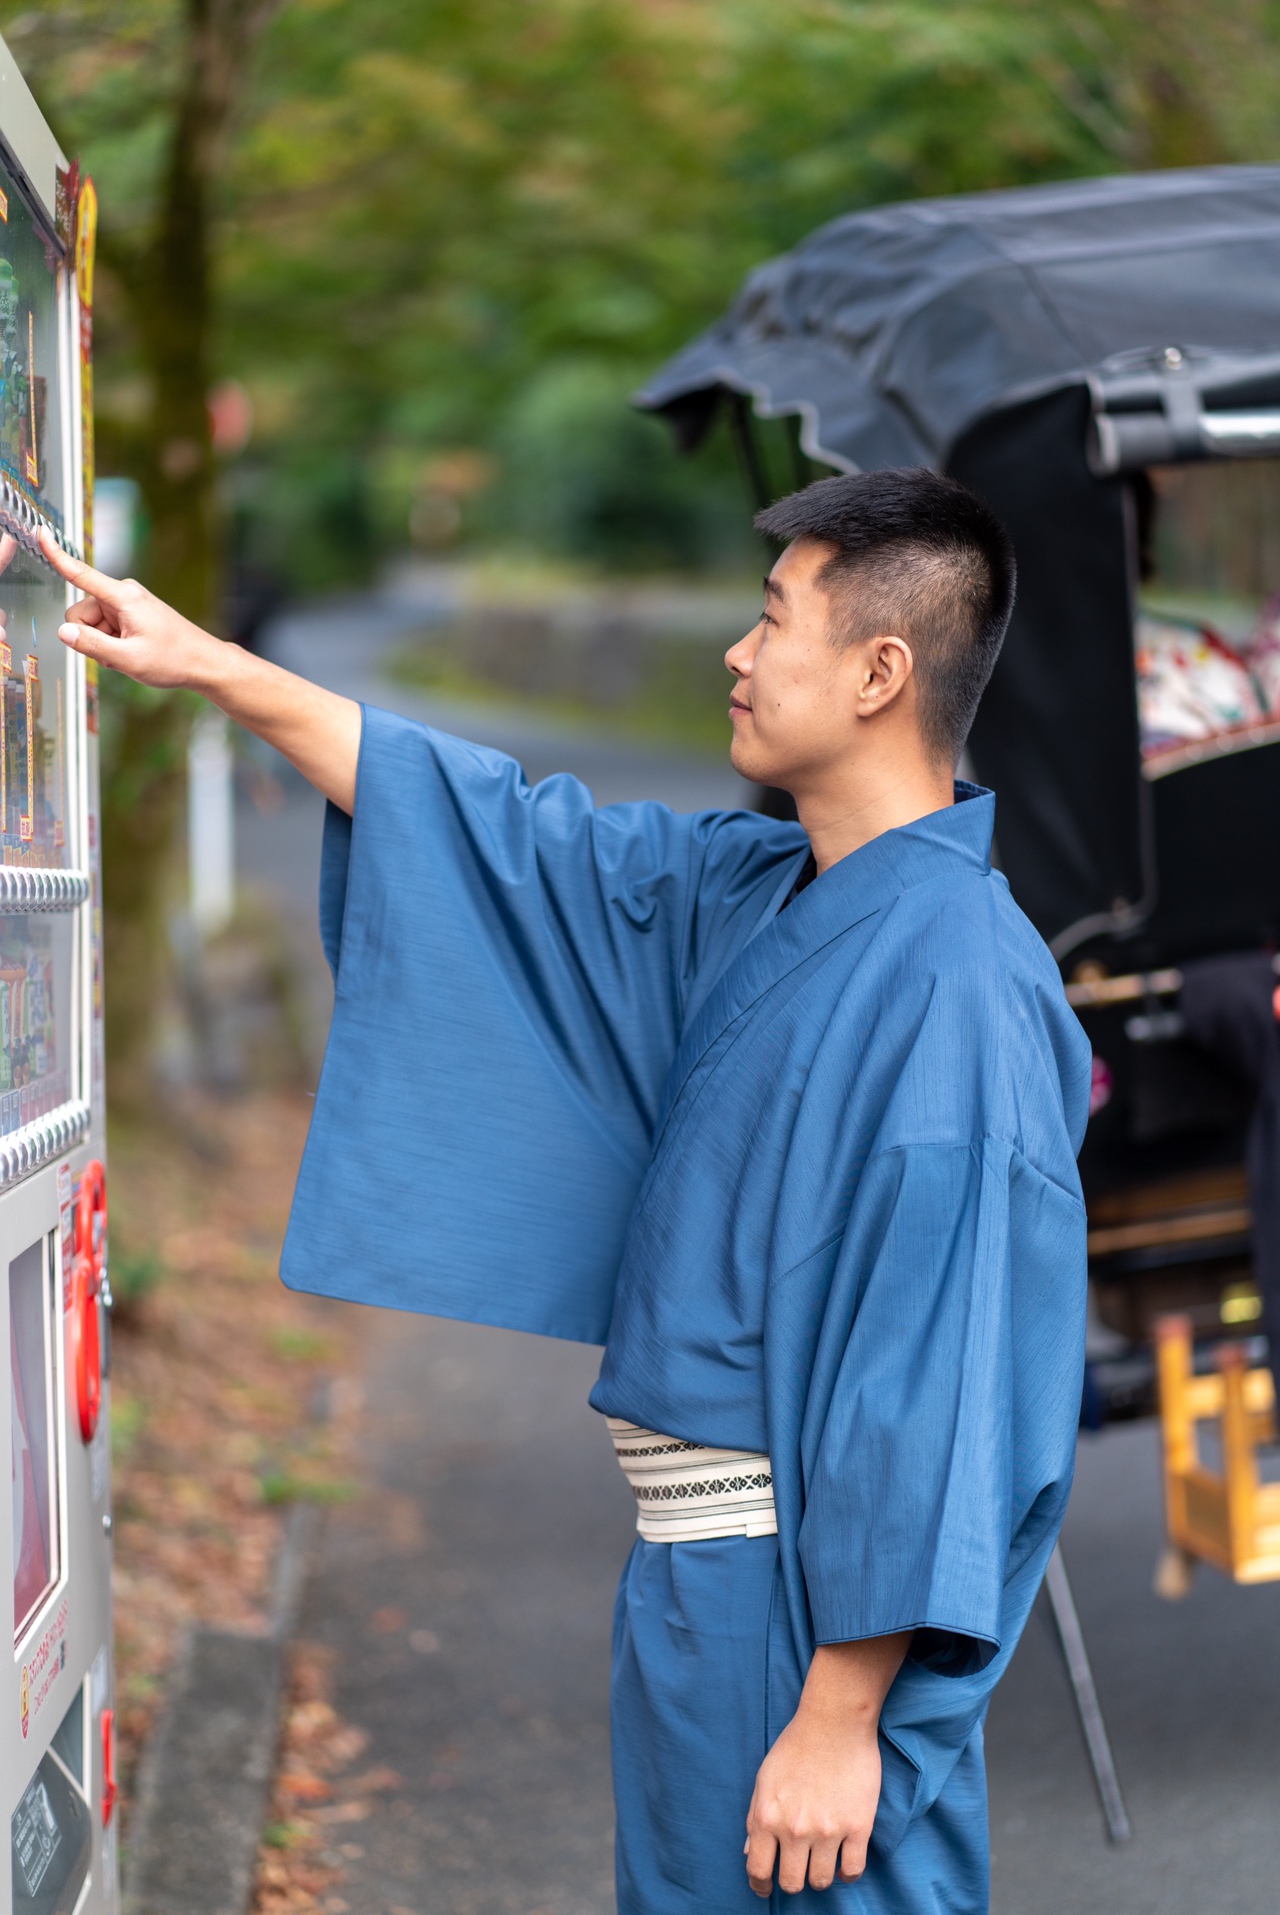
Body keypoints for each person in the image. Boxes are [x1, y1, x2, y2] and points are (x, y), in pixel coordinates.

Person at [40, 467, 1090, 1914]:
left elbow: (944, 1380)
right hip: (694, 1592)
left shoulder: (959, 986)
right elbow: (501, 837)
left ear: (879, 672)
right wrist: (211, 664)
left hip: (804, 1619)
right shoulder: (761, 885)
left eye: (772, 619)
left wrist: (843, 1716)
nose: (737, 649)